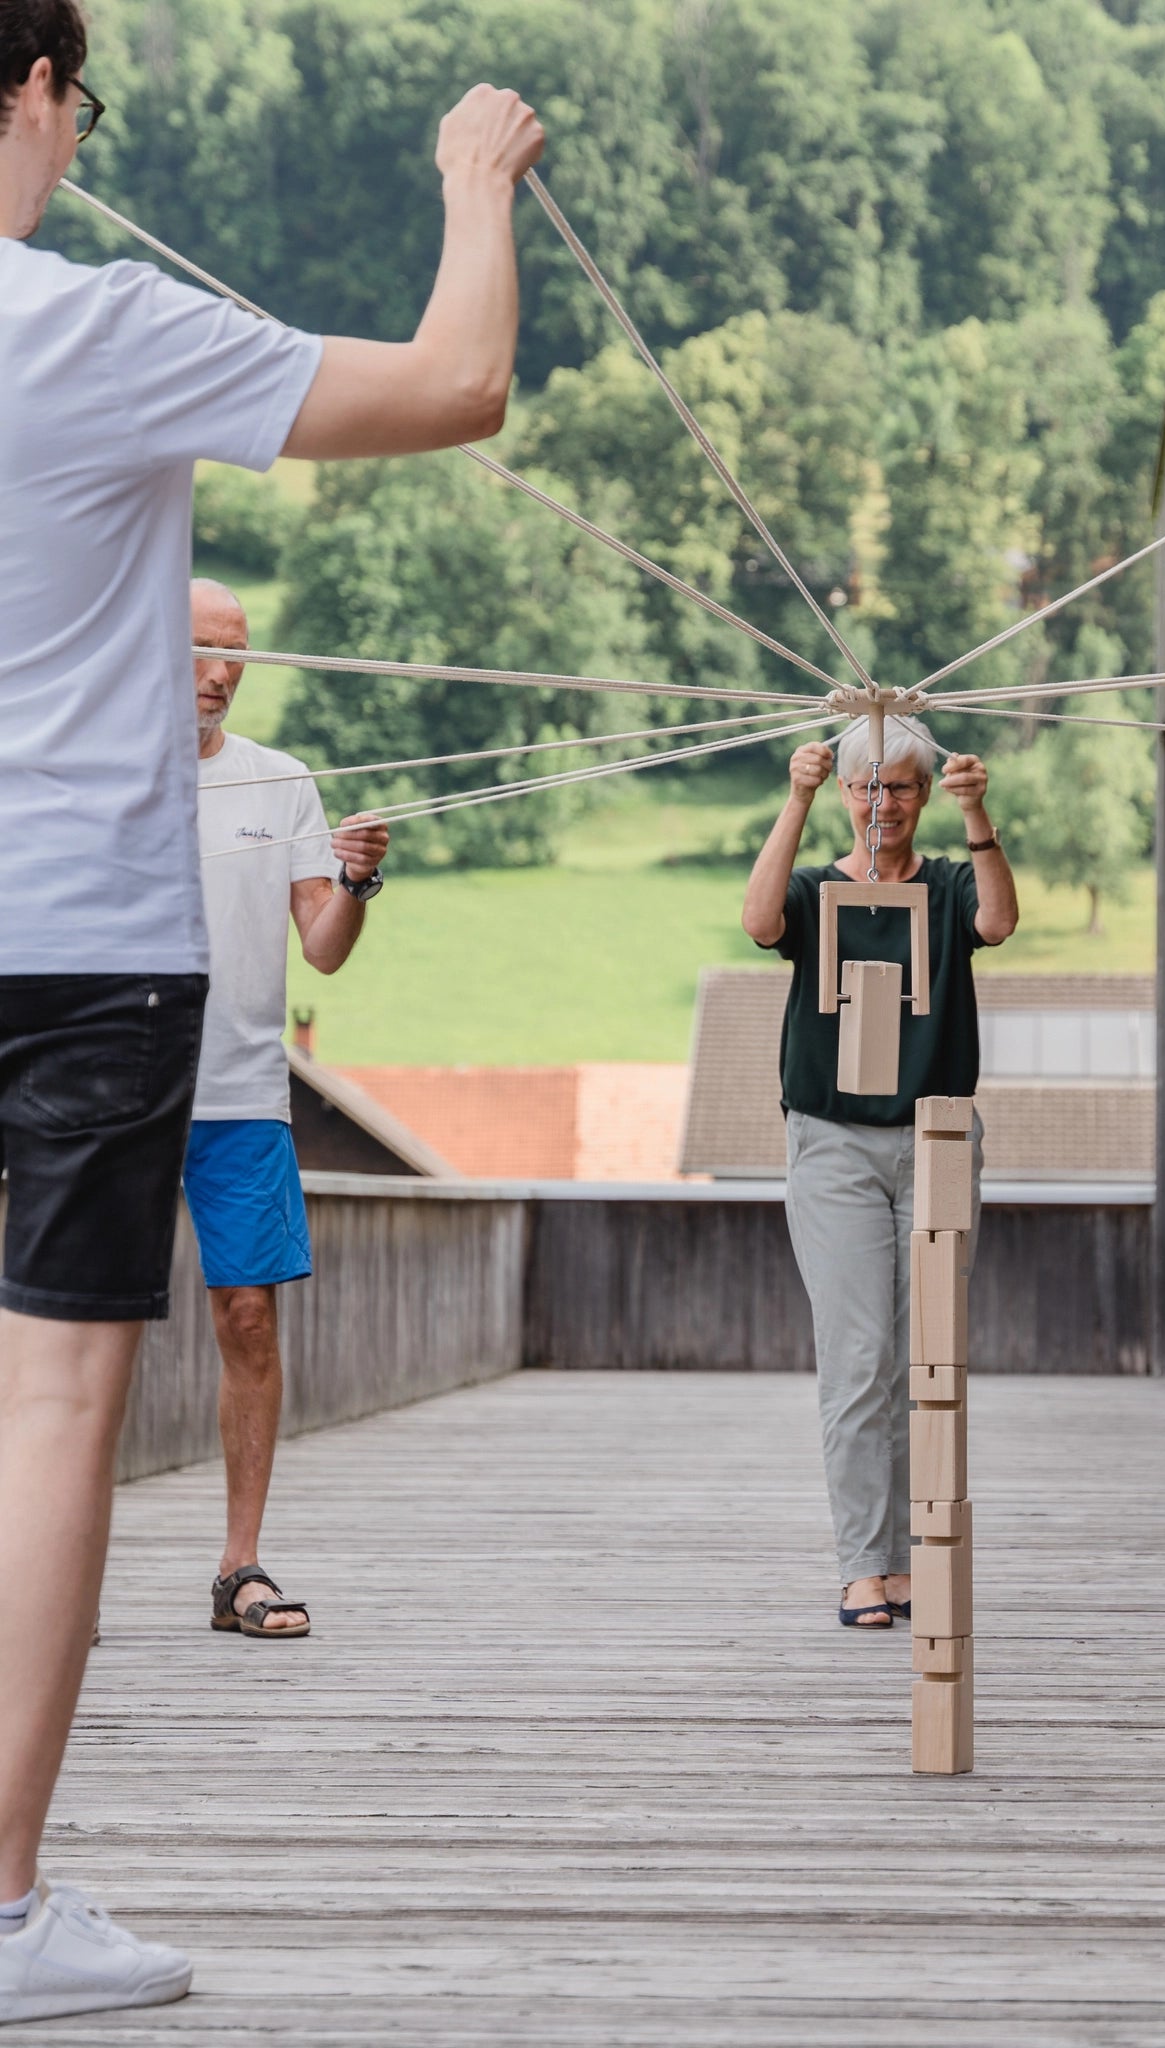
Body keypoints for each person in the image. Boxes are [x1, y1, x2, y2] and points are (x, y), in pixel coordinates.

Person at [0, 0, 545, 2016]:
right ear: (40, 93)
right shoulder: (95, 328)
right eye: (82, 101)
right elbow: (459, 381)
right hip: (80, 941)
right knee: (52, 1408)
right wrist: (470, 186)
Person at [741, 720, 1018, 1629]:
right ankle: (865, 1565)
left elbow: (999, 920)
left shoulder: (943, 886)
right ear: (846, 793)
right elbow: (758, 922)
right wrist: (798, 796)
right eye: (867, 789)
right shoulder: (821, 889)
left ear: (923, 795)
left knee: (923, 1361)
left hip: (936, 1140)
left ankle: (909, 1563)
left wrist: (980, 817)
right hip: (833, 1143)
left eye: (899, 788)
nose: (882, 806)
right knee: (858, 1361)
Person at [187, 578, 390, 1643]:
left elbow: (321, 944)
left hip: (241, 1096)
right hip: (118, 1096)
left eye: (237, 651)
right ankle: (56, 1567)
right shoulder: (95, 775)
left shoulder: (283, 782)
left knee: (250, 1319)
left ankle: (240, 1567)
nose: (222, 670)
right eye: (203, 648)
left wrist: (353, 884)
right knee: (90, 1332)